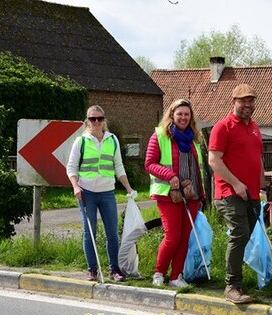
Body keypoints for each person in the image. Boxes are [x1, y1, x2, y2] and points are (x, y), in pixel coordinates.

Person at [208, 84, 264, 304]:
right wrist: (236, 183)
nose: (247, 105)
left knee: (246, 234)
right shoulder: (223, 127)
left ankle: (237, 280)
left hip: (251, 194)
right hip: (228, 192)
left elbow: (257, 159)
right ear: (234, 102)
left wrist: (262, 187)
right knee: (240, 232)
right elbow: (214, 160)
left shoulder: (255, 128)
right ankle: (232, 286)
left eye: (251, 101)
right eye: (243, 101)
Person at [67, 105, 135, 282]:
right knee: (90, 232)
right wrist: (76, 186)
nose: (96, 122)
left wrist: (128, 188)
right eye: (92, 119)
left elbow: (118, 166)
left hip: (107, 192)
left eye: (99, 119)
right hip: (86, 192)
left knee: (112, 232)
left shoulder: (112, 140)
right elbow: (71, 168)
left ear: (104, 120)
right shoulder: (80, 142)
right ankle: (92, 269)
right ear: (87, 121)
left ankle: (115, 269)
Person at [145, 99, 205, 288]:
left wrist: (202, 195)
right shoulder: (159, 136)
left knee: (185, 236)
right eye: (179, 113)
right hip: (168, 194)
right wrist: (169, 174)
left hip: (192, 194)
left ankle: (176, 276)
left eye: (187, 114)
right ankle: (159, 272)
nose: (183, 117)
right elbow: (149, 163)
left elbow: (199, 169)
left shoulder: (195, 138)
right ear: (172, 115)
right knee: (173, 236)